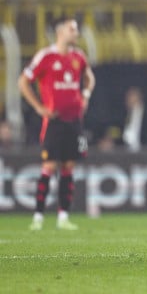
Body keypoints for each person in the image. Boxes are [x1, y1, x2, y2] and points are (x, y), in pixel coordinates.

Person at [18, 16, 95, 231]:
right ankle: (38, 216)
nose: (76, 33)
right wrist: (38, 107)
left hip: (75, 122)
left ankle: (63, 217)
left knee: (69, 166)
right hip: (54, 122)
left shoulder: (79, 57)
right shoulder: (46, 56)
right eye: (73, 29)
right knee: (49, 166)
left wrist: (86, 95)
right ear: (61, 32)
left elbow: (90, 77)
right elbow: (23, 81)